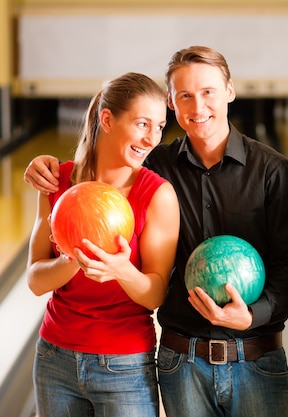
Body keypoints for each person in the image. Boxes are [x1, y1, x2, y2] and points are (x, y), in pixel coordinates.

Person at [24, 45, 288, 417]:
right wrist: (44, 167)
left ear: (230, 91)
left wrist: (253, 315)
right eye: (185, 95)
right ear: (172, 101)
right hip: (179, 360)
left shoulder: (272, 171)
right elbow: (100, 167)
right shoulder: (153, 165)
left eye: (208, 92)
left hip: (253, 354)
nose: (198, 106)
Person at [26, 72, 180, 417]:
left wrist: (121, 270)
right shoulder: (57, 181)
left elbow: (155, 294)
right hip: (54, 358)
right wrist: (72, 259)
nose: (152, 138)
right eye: (142, 124)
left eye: (159, 126)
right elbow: (35, 280)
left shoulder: (157, 195)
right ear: (107, 119)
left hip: (124, 365)